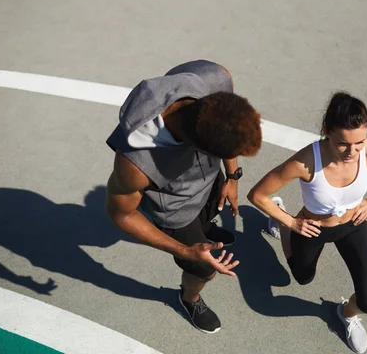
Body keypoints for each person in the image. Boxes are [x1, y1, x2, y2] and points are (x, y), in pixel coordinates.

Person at [105, 59, 262, 334]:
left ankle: (205, 228)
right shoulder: (136, 166)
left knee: (209, 215)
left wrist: (233, 177)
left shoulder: (213, 78)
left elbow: (224, 131)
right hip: (176, 212)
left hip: (209, 183)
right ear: (196, 149)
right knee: (204, 269)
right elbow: (121, 214)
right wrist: (186, 250)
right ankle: (190, 298)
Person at [248, 92, 367, 353]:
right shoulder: (304, 162)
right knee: (301, 278)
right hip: (312, 228)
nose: (352, 151)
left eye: (359, 142)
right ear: (327, 131)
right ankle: (279, 218)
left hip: (353, 225)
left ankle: (345, 314)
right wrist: (290, 222)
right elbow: (257, 194)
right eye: (343, 143)